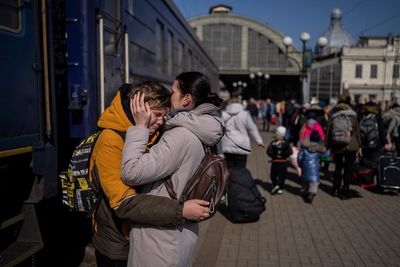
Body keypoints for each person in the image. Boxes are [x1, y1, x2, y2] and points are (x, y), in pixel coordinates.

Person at [89, 82, 210, 267]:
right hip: (119, 244)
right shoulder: (110, 140)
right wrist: (181, 210)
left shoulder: (152, 132)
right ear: (139, 109)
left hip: (143, 238)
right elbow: (124, 204)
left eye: (165, 115)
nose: (162, 121)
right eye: (158, 115)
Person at [120, 72, 224, 266]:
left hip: (160, 241)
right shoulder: (202, 133)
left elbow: (131, 172)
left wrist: (140, 128)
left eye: (174, 91)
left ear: (186, 99)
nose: (170, 95)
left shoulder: (180, 136)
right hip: (180, 235)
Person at [326, 95, 362, 199]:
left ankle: (335, 189)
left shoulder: (333, 116)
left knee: (338, 168)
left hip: (337, 145)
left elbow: (328, 132)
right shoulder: (353, 117)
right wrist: (359, 146)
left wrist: (328, 145)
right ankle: (345, 190)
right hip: (351, 146)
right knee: (348, 169)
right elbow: (357, 132)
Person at [221, 95, 266, 170]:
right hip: (242, 145)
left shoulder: (223, 114)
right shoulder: (245, 114)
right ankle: (239, 181)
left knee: (228, 169)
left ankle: (229, 181)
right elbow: (252, 129)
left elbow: (219, 130)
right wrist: (259, 141)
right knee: (240, 169)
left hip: (227, 144)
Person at [298, 130, 326, 203]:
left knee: (305, 180)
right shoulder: (319, 149)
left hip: (305, 166)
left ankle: (305, 192)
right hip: (314, 169)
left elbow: (300, 156)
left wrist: (300, 163)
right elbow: (324, 156)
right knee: (314, 182)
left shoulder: (304, 147)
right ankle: (311, 193)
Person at [266, 126, 292, 194]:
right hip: (281, 162)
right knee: (279, 175)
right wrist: (285, 156)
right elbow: (290, 152)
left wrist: (273, 156)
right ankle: (278, 186)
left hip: (276, 162)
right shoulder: (286, 143)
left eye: (277, 134)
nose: (277, 136)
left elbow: (268, 151)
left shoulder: (274, 143)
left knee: (276, 174)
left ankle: (277, 185)